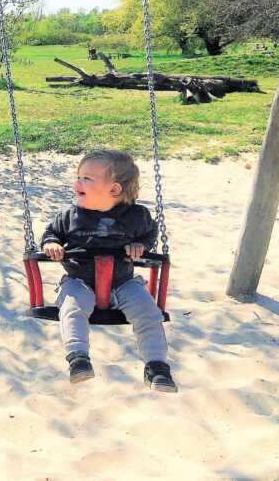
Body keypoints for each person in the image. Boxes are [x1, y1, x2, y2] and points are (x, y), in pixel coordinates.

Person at [40, 150, 178, 393]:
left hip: (123, 282)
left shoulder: (137, 216)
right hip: (79, 281)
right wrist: (51, 244)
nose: (77, 183)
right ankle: (78, 358)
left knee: (149, 313)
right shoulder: (69, 216)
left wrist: (141, 246)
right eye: (79, 177)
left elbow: (149, 234)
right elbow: (51, 234)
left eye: (86, 179)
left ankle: (157, 367)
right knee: (72, 306)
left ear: (114, 190)